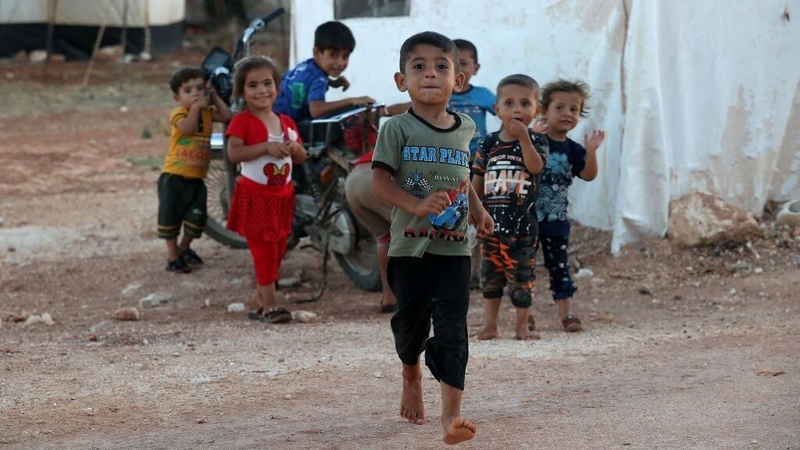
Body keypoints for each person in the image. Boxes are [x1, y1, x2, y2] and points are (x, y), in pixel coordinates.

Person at [371, 31, 493, 445]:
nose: (430, 74)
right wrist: (417, 204)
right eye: (418, 66)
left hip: (455, 248)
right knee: (411, 325)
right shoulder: (397, 128)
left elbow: (463, 179)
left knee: (453, 329)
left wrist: (478, 210)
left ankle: (451, 417)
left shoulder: (466, 128)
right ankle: (411, 376)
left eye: (442, 66)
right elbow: (380, 183)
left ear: (458, 81)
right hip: (409, 247)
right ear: (401, 80)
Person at [224, 56, 308, 323]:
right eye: (252, 85)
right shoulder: (242, 122)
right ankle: (271, 304)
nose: (261, 90)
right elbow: (234, 154)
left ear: (277, 86)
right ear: (241, 91)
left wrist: (295, 150)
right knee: (265, 252)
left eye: (267, 83)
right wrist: (265, 148)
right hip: (255, 197)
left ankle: (261, 297)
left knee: (280, 249)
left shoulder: (286, 122)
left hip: (282, 197)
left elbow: (302, 157)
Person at [471, 74, 549, 341]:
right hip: (490, 225)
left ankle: (520, 326)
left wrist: (525, 139)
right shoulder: (488, 143)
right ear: (497, 109)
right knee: (490, 278)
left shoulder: (537, 141)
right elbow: (477, 178)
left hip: (522, 227)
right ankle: (490, 325)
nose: (518, 109)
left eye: (525, 103)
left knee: (521, 279)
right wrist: (473, 208)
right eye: (510, 103)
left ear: (536, 110)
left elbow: (536, 167)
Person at [535, 79, 605, 332]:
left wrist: (592, 151)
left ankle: (567, 315)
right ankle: (525, 315)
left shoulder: (573, 150)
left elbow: (588, 175)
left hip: (556, 221)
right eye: (560, 107)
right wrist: (531, 139)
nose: (567, 113)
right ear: (543, 110)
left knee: (560, 268)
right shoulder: (534, 141)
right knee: (522, 268)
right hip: (527, 220)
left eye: (574, 109)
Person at [158, 67, 231, 273]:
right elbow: (187, 129)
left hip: (197, 178)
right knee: (170, 218)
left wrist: (214, 96)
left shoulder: (207, 112)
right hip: (174, 177)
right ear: (177, 97)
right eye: (188, 91)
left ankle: (184, 248)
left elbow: (226, 115)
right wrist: (196, 109)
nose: (196, 94)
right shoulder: (179, 113)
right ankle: (173, 257)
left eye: (200, 88)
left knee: (197, 217)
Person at [449, 38, 496, 290]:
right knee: (455, 215)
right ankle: (459, 268)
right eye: (452, 64)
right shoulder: (442, 95)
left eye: (464, 63)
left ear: (475, 68)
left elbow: (506, 113)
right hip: (450, 164)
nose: (459, 70)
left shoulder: (483, 95)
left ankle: (477, 271)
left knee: (478, 215)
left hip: (479, 164)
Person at [273, 21, 375, 122]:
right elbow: (316, 110)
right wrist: (351, 101)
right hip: (287, 127)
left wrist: (332, 82)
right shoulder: (320, 79)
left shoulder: (306, 66)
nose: (340, 63)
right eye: (334, 55)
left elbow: (306, 83)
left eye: (345, 56)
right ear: (316, 53)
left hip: (274, 116)